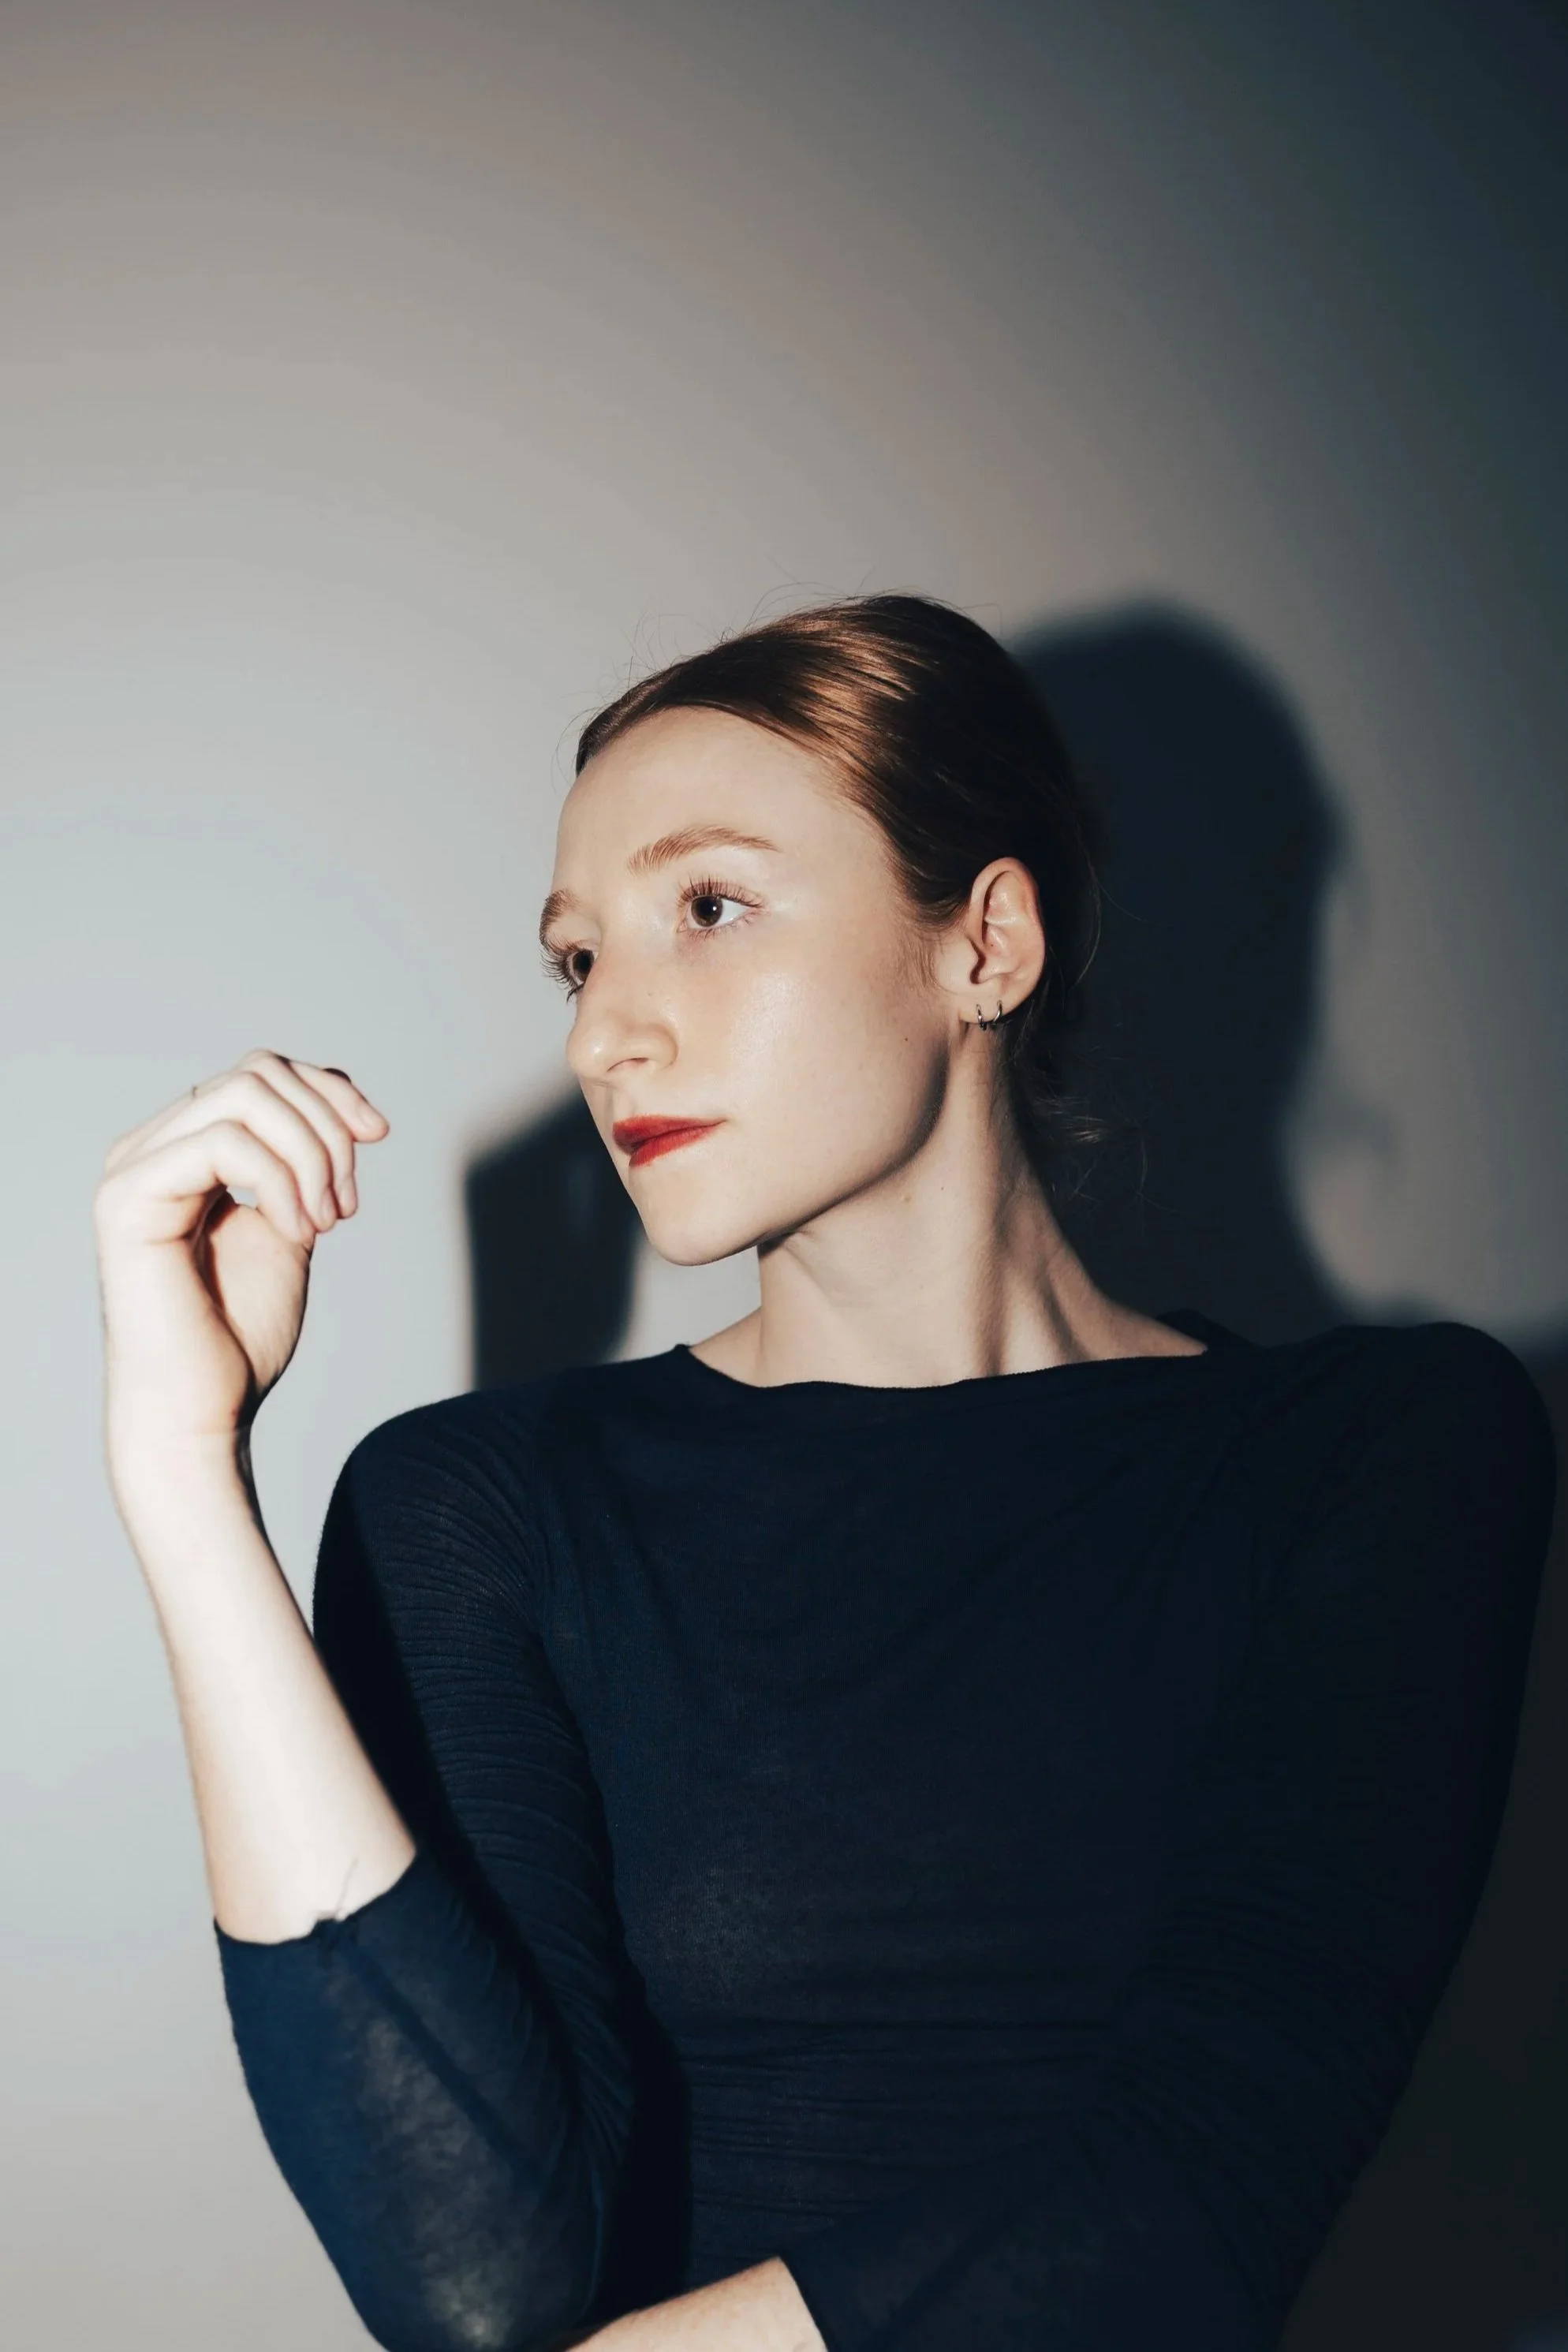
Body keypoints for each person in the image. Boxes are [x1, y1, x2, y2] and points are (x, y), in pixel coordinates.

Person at [93, 593, 1557, 2352]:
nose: (601, 1036)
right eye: (577, 958)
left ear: (985, 945)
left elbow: (1203, 2189)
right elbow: (477, 2283)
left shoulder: (1378, 1452)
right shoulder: (474, 1502)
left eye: (706, 909)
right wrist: (185, 1470)